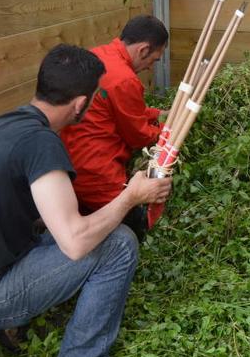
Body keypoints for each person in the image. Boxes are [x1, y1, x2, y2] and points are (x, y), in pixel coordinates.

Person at [0, 44, 173, 357]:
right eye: (92, 101)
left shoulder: (7, 123)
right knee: (119, 243)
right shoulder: (42, 144)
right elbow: (75, 244)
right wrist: (131, 197)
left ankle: (15, 323)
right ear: (80, 104)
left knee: (85, 224)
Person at [61, 15, 169, 239]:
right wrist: (168, 131)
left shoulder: (97, 56)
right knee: (132, 224)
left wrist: (158, 114)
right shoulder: (125, 79)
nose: (151, 67)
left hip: (68, 163)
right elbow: (139, 136)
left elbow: (118, 110)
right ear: (143, 50)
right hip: (97, 171)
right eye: (154, 60)